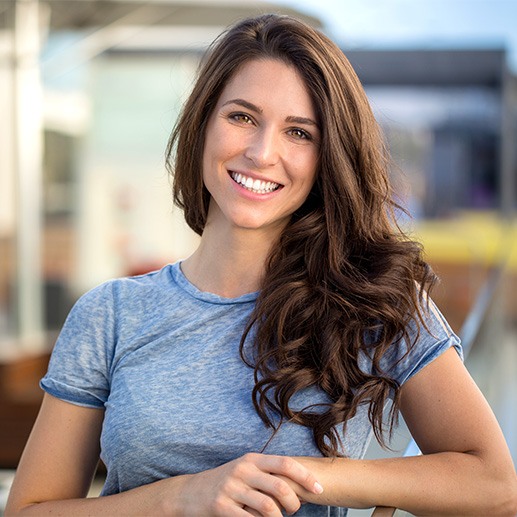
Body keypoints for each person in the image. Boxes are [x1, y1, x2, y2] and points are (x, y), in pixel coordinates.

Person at [6, 13, 517, 517]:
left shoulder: (374, 299)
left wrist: (303, 476)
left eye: (299, 133)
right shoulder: (111, 315)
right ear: (203, 122)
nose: (261, 152)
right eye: (242, 117)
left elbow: (494, 484)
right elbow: (28, 511)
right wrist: (180, 497)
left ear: (327, 158)